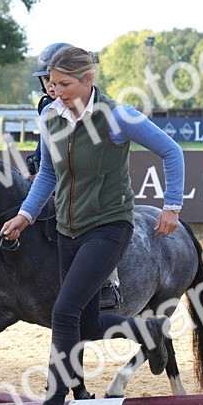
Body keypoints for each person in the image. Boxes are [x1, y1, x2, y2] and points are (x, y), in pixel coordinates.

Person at [0, 44, 185, 405]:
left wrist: (171, 206)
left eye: (64, 83)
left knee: (62, 312)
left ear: (89, 79)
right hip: (67, 230)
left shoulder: (118, 116)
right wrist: (25, 216)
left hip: (109, 226)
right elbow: (48, 174)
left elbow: (172, 151)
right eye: (52, 82)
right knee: (81, 325)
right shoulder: (50, 116)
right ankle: (148, 329)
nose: (55, 90)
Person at [28, 42, 122, 311]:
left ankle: (108, 283)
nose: (49, 85)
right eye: (45, 80)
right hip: (55, 176)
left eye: (53, 79)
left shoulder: (93, 107)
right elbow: (46, 149)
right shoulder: (47, 108)